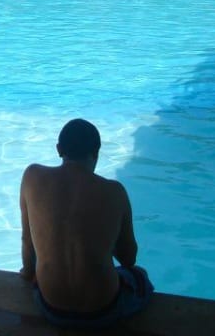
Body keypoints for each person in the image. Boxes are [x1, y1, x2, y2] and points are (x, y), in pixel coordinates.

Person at [20, 119, 153, 330]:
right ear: (96, 153)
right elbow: (128, 258)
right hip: (102, 312)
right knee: (140, 275)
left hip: (50, 307)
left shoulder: (32, 177)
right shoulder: (114, 192)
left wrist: (28, 272)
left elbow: (27, 241)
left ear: (58, 149)